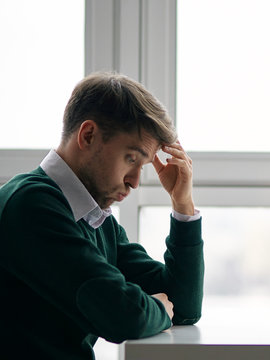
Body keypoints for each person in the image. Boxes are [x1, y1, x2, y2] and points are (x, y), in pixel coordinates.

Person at [0, 72, 204, 359]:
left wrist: (182, 204)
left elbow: (183, 307)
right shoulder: (31, 206)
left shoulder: (94, 217)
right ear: (88, 135)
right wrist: (156, 308)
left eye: (142, 166)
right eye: (131, 158)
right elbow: (122, 316)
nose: (135, 181)